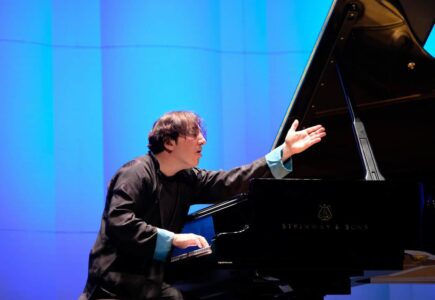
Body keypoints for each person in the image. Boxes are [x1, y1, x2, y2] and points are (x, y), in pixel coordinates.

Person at [79, 111, 326, 300]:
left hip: (149, 280)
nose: (203, 140)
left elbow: (232, 180)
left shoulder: (188, 179)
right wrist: (173, 239)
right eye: (194, 134)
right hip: (112, 281)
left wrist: (284, 152)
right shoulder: (136, 172)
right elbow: (119, 222)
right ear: (169, 142)